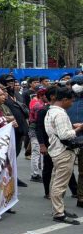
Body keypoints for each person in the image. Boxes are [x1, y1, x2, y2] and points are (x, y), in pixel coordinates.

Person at [45, 87, 83, 224]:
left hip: (56, 151)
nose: (72, 104)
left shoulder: (50, 111)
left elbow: (58, 131)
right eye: (71, 101)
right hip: (63, 152)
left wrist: (73, 127)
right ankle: (59, 214)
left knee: (56, 181)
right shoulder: (60, 114)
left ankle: (58, 209)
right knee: (60, 184)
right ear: (64, 100)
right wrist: (79, 129)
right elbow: (65, 135)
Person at [28, 86, 47, 182]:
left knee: (37, 153)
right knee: (37, 152)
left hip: (34, 129)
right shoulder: (39, 106)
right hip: (36, 130)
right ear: (42, 95)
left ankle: (36, 173)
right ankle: (35, 174)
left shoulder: (40, 105)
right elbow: (37, 121)